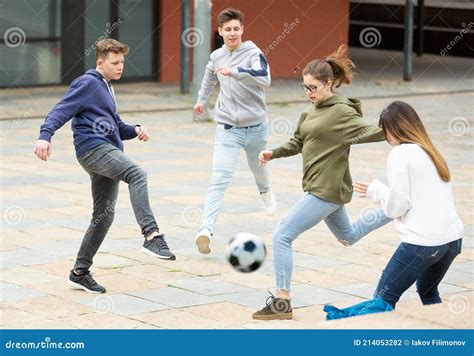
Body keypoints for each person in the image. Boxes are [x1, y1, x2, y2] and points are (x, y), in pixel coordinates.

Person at [252, 45, 391, 320]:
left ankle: (282, 302)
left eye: (313, 87)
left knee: (282, 235)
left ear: (329, 84)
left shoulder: (341, 112)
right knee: (348, 237)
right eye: (305, 87)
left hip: (325, 191)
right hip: (327, 189)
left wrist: (401, 126)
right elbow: (298, 142)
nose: (309, 93)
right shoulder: (309, 112)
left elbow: (371, 132)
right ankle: (394, 209)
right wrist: (274, 153)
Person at [34, 39, 175, 294]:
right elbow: (61, 110)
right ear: (100, 62)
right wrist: (45, 135)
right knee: (136, 173)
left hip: (106, 150)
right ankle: (151, 236)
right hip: (93, 149)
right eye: (115, 62)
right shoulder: (88, 83)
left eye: (122, 62)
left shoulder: (107, 87)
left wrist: (135, 129)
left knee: (103, 217)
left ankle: (79, 272)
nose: (120, 67)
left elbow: (117, 127)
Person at [352, 101, 463, 308]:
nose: (387, 138)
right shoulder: (430, 150)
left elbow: (398, 206)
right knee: (428, 293)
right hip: (451, 241)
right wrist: (381, 190)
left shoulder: (400, 153)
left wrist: (375, 191)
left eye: (386, 131)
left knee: (381, 300)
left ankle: (377, 341)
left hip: (423, 243)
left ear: (393, 129)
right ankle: (443, 337)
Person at [193, 8, 276, 255]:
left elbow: (265, 78)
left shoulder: (253, 53)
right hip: (228, 129)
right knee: (219, 180)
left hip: (256, 127)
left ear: (242, 30)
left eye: (236, 29)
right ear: (220, 31)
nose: (232, 33)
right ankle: (205, 230)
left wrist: (236, 72)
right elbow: (209, 78)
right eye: (227, 29)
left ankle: (266, 191)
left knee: (258, 169)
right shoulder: (217, 56)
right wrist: (201, 100)